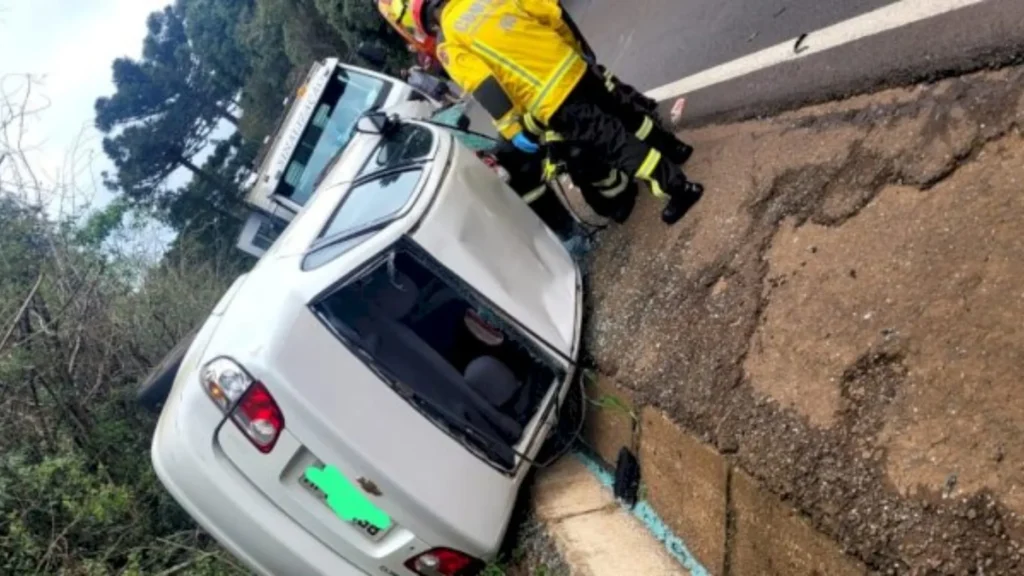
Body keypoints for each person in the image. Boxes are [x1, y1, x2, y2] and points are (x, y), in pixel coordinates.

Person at [413, 0, 703, 224]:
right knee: (625, 115)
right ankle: (677, 148)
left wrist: (514, 129)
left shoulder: (450, 40)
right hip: (573, 66)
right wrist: (576, 52)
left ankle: (679, 189)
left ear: (430, 21)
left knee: (615, 143)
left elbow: (485, 85)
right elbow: (550, 12)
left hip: (552, 98)